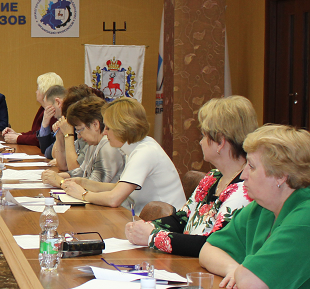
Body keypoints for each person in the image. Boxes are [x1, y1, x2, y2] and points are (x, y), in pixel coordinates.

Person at [125, 96, 256, 256]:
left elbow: (213, 245)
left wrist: (153, 237)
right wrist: (146, 226)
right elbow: (182, 218)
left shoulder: (244, 189)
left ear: (220, 142)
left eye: (204, 135)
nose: (200, 142)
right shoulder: (213, 177)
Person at [200, 125, 310, 289]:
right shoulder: (263, 206)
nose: (243, 175)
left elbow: (252, 283)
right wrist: (235, 270)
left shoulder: (304, 218)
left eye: (251, 166)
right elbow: (208, 250)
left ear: (280, 176)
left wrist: (244, 274)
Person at [61, 97, 186, 215]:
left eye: (108, 128)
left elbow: (114, 199)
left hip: (166, 226)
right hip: (149, 220)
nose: (104, 132)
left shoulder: (145, 152)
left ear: (122, 128)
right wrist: (84, 182)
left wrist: (83, 194)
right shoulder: (136, 147)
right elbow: (119, 187)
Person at [42, 95, 125, 187]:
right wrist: (58, 176)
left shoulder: (108, 146)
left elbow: (95, 186)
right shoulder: (93, 144)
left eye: (80, 129)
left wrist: (61, 182)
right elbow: (82, 171)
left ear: (95, 125)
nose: (79, 136)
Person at [2, 72, 62, 146]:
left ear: (44, 91)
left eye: (38, 89)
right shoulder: (42, 108)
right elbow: (35, 132)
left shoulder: (54, 111)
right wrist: (17, 134)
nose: (36, 92)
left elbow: (41, 139)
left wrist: (18, 138)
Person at [36, 85, 66, 155]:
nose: (46, 112)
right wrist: (44, 123)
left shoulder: (70, 120)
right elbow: (45, 149)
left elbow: (48, 152)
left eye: (49, 108)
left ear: (58, 102)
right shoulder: (60, 119)